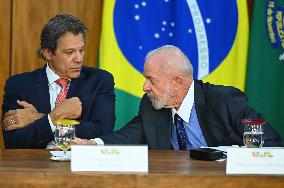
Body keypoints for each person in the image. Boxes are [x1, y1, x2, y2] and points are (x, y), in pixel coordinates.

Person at [75, 45, 283, 149]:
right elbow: (128, 135)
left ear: (177, 82)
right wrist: (93, 144)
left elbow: (272, 144)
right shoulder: (151, 105)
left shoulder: (225, 100)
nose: (144, 86)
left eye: (151, 79)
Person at [1, 13, 115, 148]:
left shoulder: (100, 80)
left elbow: (103, 131)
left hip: (80, 164)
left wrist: (42, 119)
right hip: (34, 165)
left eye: (81, 50)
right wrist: (55, 116)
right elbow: (13, 142)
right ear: (48, 53)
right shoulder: (18, 85)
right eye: (70, 52)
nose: (79, 59)